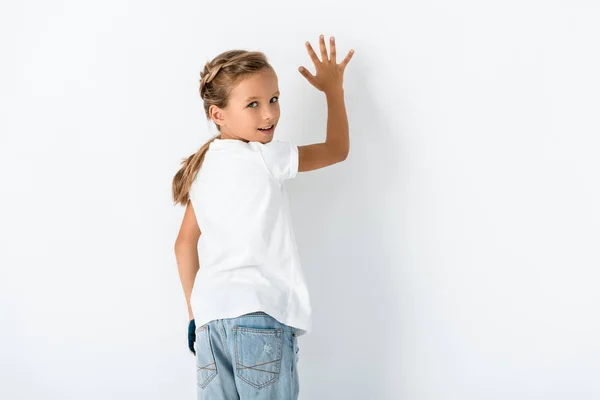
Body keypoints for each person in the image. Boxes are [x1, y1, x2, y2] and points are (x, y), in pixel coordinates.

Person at [172, 34, 354, 399]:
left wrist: (195, 314)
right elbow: (337, 149)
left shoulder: (202, 168)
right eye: (252, 104)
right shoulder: (263, 156)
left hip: (210, 324)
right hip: (259, 314)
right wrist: (333, 89)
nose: (269, 113)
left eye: (273, 99)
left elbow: (184, 244)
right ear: (217, 114)